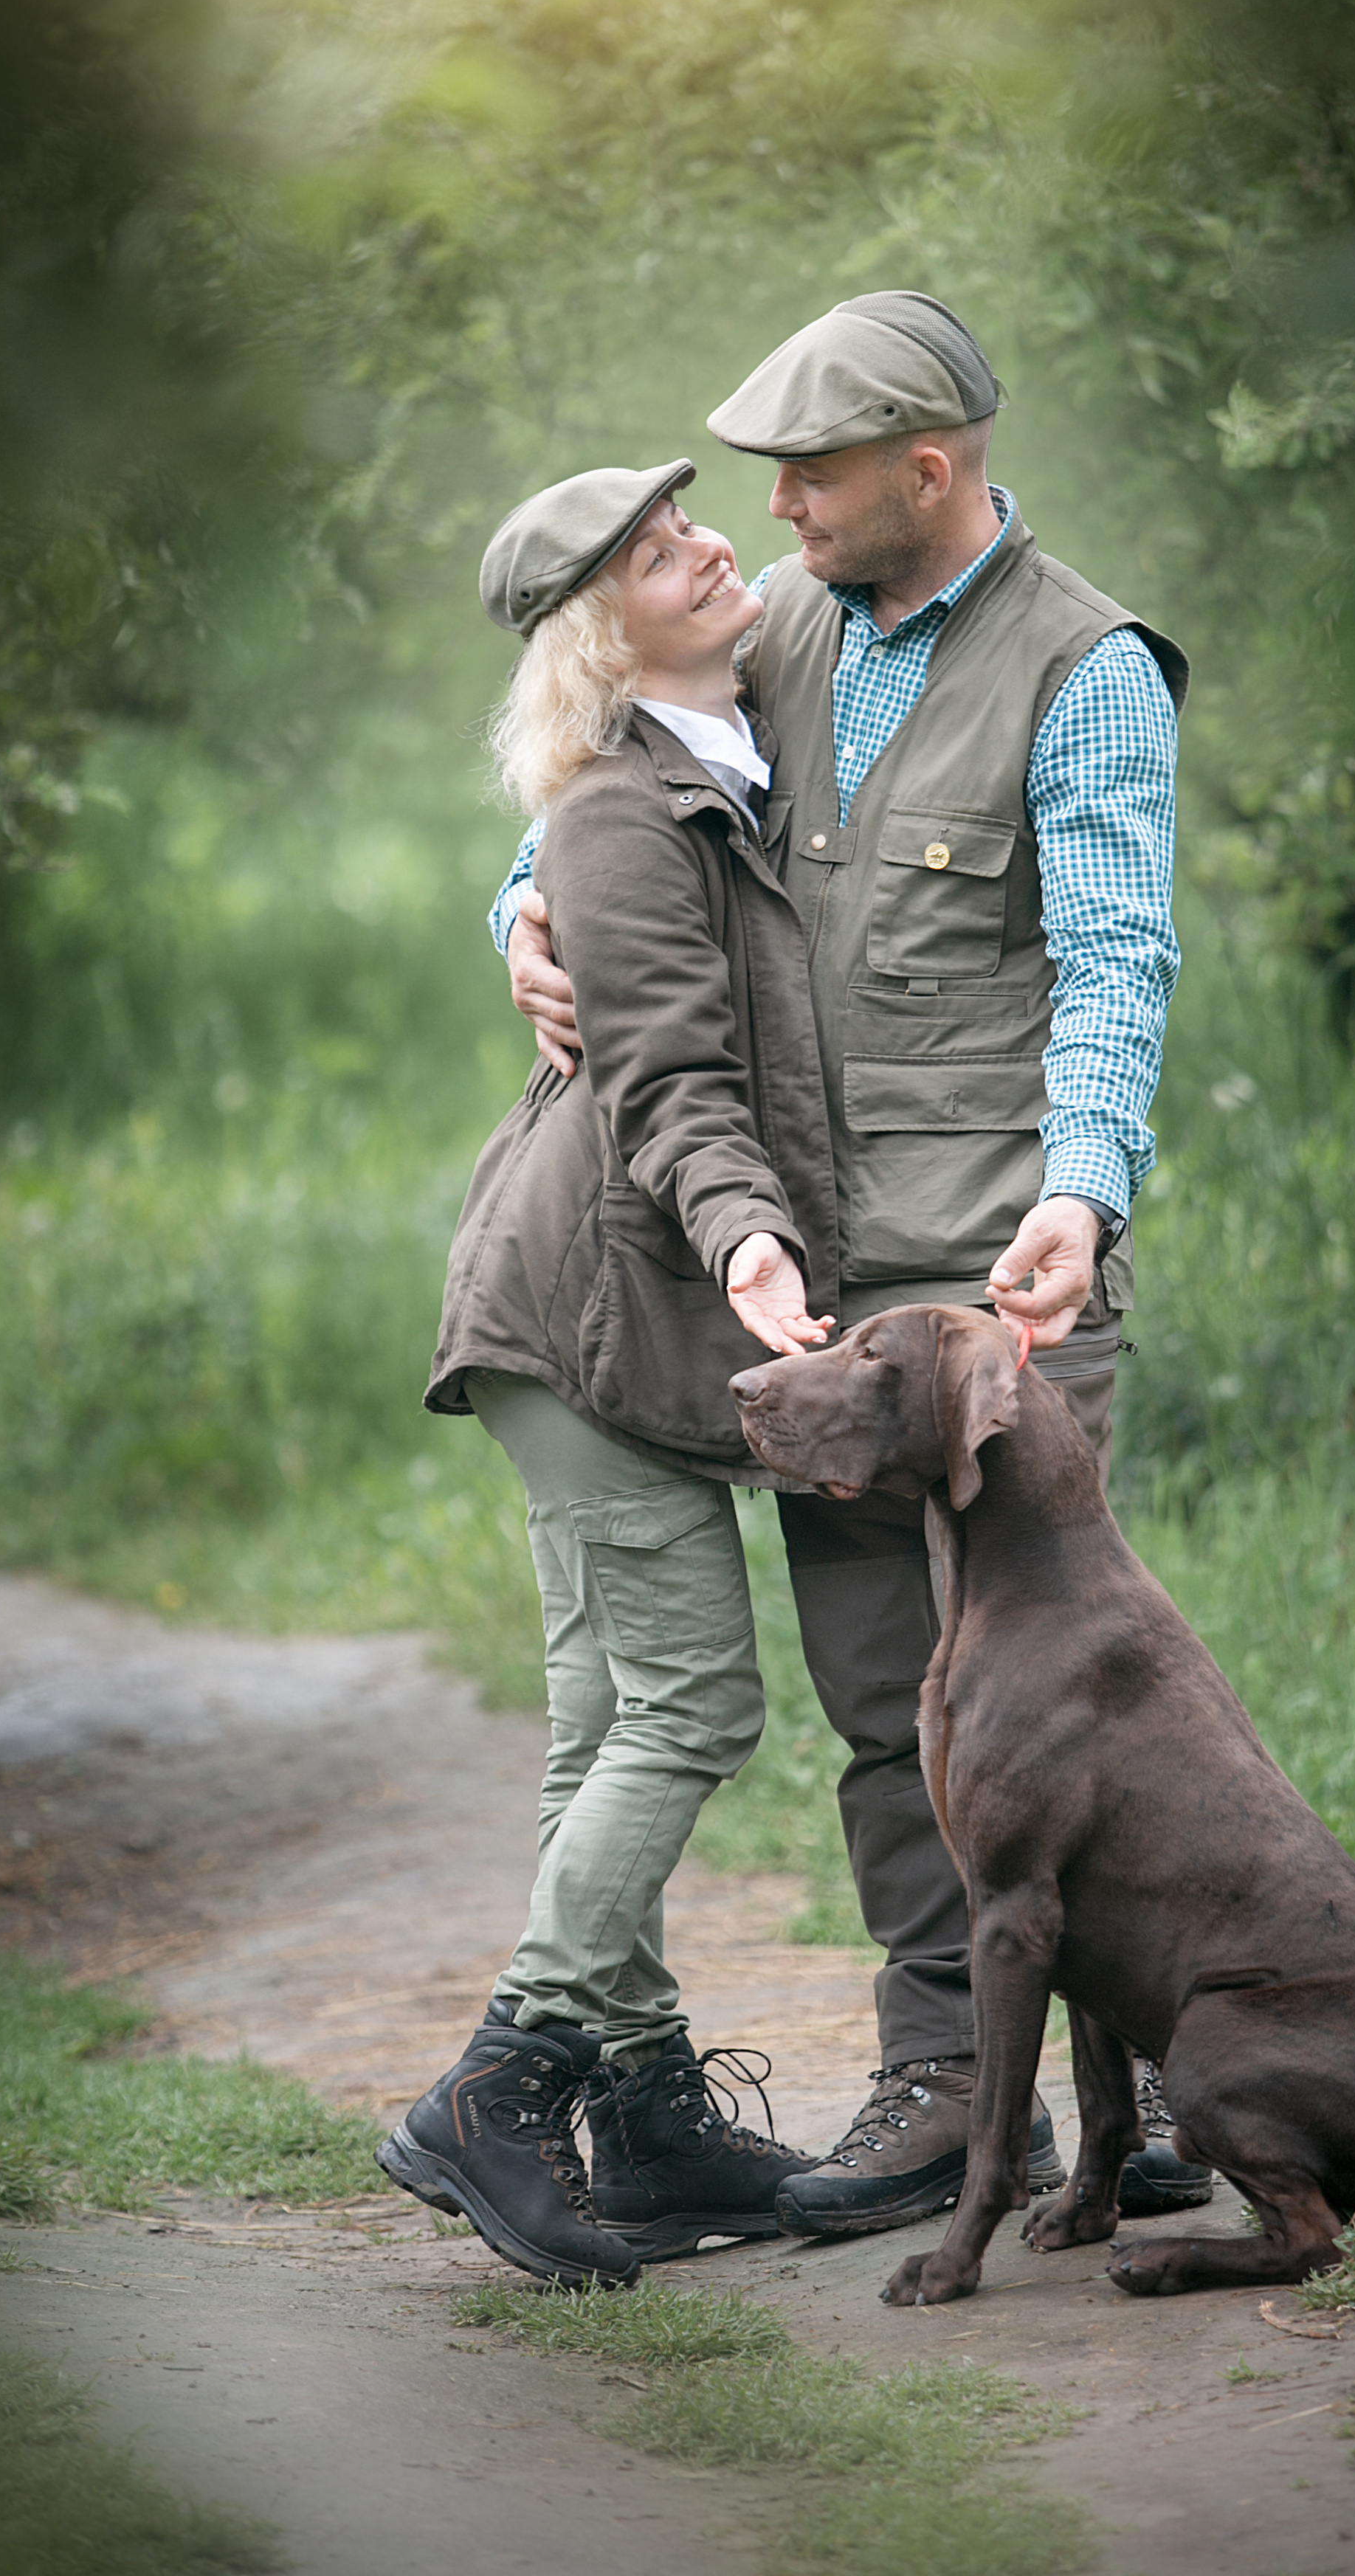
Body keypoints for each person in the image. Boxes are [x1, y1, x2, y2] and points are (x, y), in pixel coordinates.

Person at [492, 294, 1214, 2237]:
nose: (778, 502)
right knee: (891, 1702)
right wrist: (518, 919)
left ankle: (1128, 2094)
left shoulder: (1090, 668)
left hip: (1004, 1295)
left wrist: (1088, 1187)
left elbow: (1121, 956)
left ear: (933, 464)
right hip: (825, 1295)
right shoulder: (772, 636)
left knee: (1066, 1701)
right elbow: (611, 787)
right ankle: (933, 2090)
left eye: (813, 469)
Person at [379, 459, 836, 2289]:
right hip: (594, 1304)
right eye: (662, 554)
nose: (715, 543)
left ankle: (642, 2118)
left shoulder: (730, 741)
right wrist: (749, 1241)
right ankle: (497, 2090)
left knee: (602, 1728)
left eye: (697, 526)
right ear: (600, 630)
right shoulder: (623, 814)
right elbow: (663, 1075)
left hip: (588, 1298)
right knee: (692, 1709)